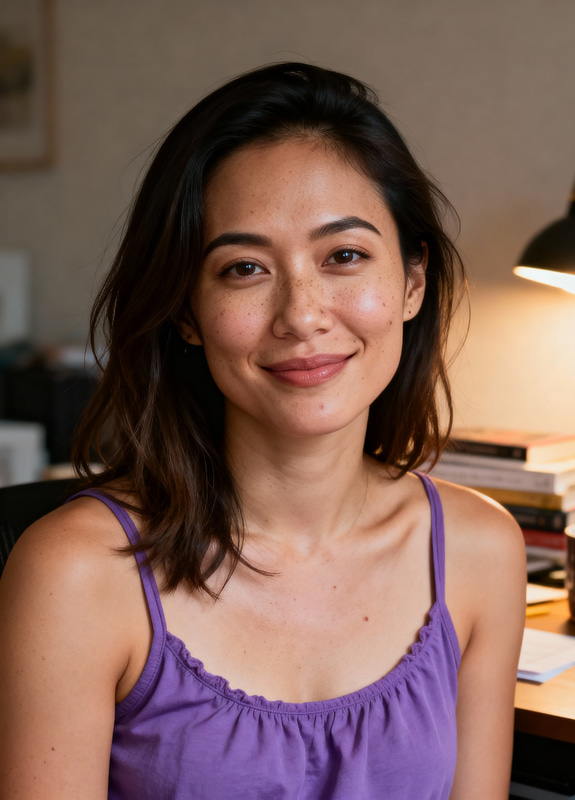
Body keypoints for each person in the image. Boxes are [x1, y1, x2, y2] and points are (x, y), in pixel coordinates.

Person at [0, 63, 526, 799]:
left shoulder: (480, 552)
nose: (302, 315)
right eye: (244, 268)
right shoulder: (76, 574)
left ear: (412, 283)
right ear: (186, 311)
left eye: (344, 257)